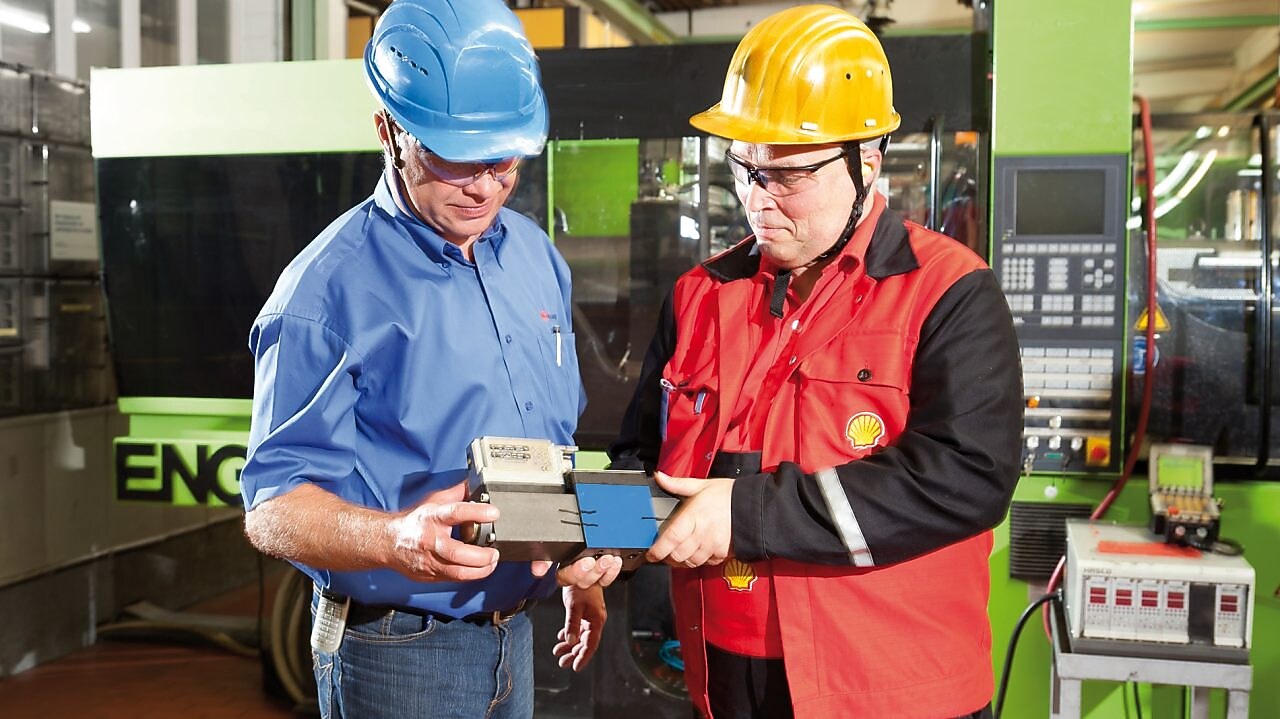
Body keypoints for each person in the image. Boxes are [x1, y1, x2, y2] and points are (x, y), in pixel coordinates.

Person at [609, 6, 1023, 718]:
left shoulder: (948, 291)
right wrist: (600, 539)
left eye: (788, 175)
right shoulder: (699, 296)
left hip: (890, 688)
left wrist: (748, 511)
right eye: (743, 170)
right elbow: (640, 457)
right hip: (725, 680)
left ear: (868, 158)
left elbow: (968, 476)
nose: (756, 201)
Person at [239, 2, 621, 717]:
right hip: (399, 654)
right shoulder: (324, 292)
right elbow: (271, 508)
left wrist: (574, 563)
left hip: (517, 635)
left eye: (503, 155)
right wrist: (393, 538)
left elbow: (551, 446)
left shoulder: (535, 256)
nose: (484, 184)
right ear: (387, 129)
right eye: (453, 156)